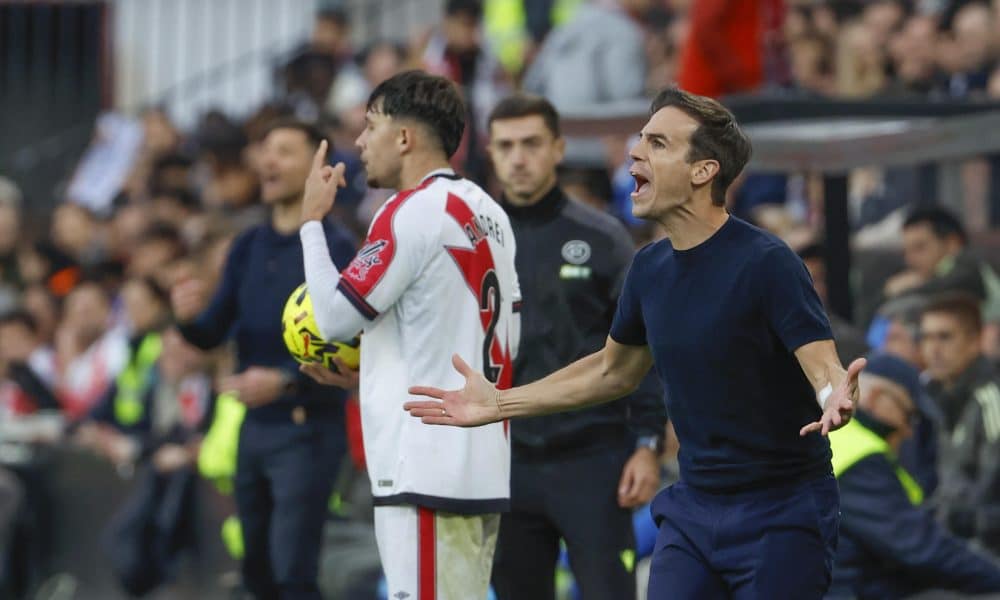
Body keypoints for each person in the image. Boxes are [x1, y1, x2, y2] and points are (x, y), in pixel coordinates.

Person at [405, 87, 866, 599]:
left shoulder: (768, 262)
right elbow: (612, 371)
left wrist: (835, 397)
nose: (635, 152)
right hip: (694, 508)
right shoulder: (649, 268)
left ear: (703, 171)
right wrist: (499, 404)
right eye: (641, 139)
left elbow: (823, 367)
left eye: (658, 144)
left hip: (780, 509)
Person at [297, 70, 520, 600]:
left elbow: (332, 317)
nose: (359, 141)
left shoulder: (409, 211)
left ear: (404, 137)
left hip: (424, 468)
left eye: (370, 125)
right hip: (480, 463)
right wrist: (370, 373)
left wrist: (311, 223)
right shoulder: (491, 214)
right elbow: (445, 330)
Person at [485, 94, 666, 600]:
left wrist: (648, 445)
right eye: (506, 146)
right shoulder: (471, 241)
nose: (519, 157)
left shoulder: (603, 238)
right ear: (491, 153)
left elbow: (642, 347)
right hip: (504, 460)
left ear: (558, 148)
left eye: (531, 143)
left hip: (594, 457)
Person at [171, 119, 356, 600]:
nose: (268, 161)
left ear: (317, 167)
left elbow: (353, 353)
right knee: (256, 572)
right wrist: (186, 318)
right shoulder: (248, 246)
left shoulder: (335, 248)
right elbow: (211, 331)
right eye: (265, 151)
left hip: (308, 428)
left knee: (292, 571)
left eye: (285, 152)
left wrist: (284, 381)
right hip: (254, 431)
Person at [828, 352, 1000, 600]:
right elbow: (921, 548)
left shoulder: (838, 439)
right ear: (876, 398)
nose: (908, 431)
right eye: (909, 415)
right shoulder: (859, 456)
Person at [920, 292, 1000, 554]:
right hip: (951, 538)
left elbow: (991, 493)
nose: (934, 348)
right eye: (926, 337)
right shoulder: (930, 393)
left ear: (976, 341)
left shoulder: (991, 398)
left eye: (945, 336)